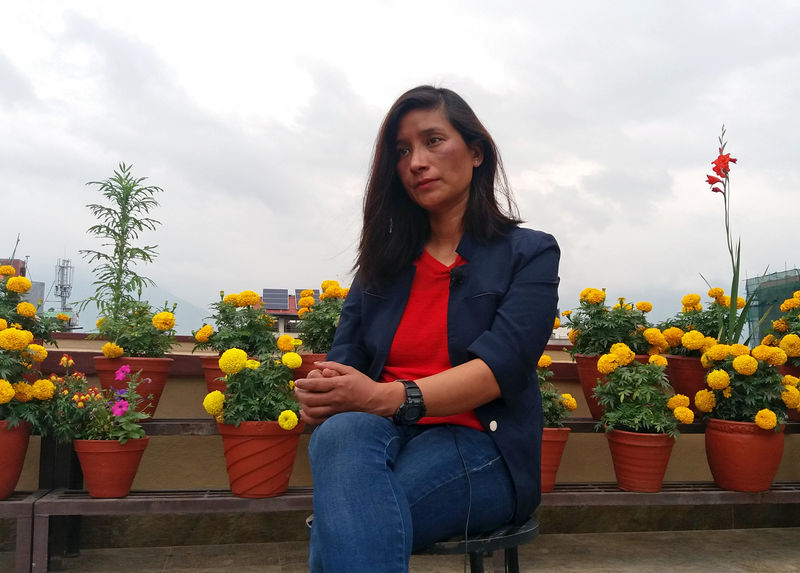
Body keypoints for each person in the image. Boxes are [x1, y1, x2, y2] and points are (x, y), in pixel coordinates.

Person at [294, 85, 560, 572]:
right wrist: (326, 391)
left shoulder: (530, 254)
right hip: (375, 436)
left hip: (481, 445)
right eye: (403, 150)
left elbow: (499, 369)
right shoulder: (381, 266)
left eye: (433, 140)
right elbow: (347, 356)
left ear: (476, 152)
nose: (416, 161)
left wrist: (382, 397)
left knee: (347, 524)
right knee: (340, 436)